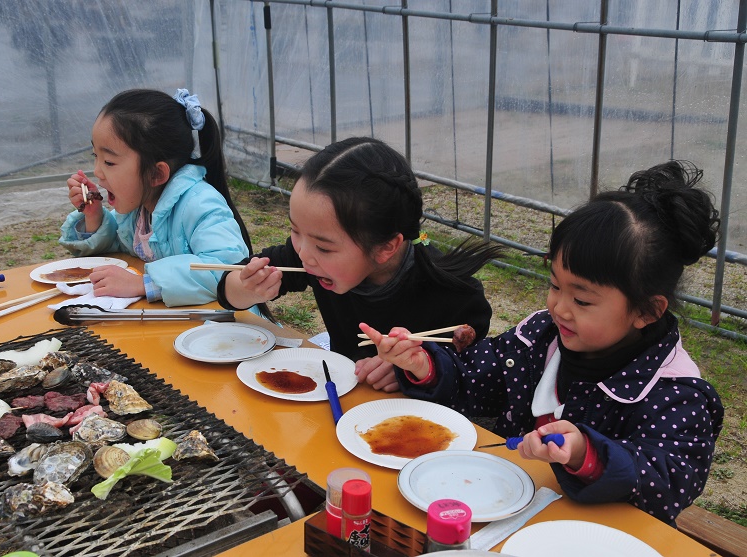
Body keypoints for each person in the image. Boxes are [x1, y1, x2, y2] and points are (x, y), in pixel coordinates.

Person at [360, 160, 724, 524]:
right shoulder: (541, 336)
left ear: (646, 311)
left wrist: (585, 453)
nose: (559, 308)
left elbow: (669, 481)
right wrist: (423, 365)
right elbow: (476, 378)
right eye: (554, 285)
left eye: (582, 300)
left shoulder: (677, 393)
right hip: (503, 505)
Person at [217, 137, 503, 388]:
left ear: (385, 247)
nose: (303, 252)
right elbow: (228, 292)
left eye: (324, 247)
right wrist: (247, 287)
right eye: (295, 230)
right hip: (340, 394)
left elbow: (471, 370)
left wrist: (414, 367)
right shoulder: (306, 257)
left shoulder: (453, 296)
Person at [59, 88, 252, 307]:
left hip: (225, 331)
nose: (98, 172)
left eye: (109, 162)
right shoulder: (139, 206)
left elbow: (229, 268)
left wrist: (144, 283)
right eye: (96, 156)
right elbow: (120, 243)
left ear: (156, 174)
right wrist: (94, 218)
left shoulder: (200, 204)